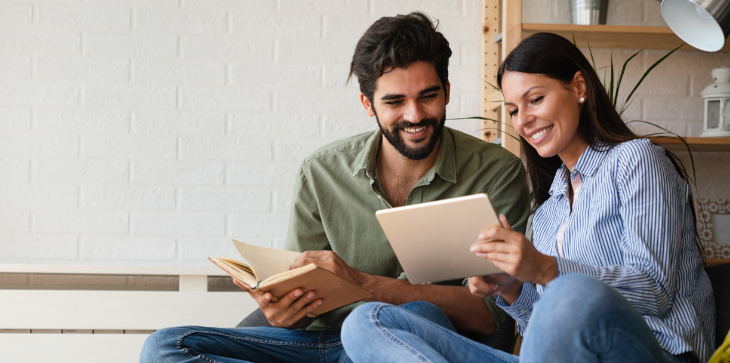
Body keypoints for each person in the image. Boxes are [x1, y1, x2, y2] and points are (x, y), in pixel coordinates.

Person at [139, 12, 530, 363]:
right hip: (316, 345)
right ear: (367, 103)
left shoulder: (496, 173)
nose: (415, 115)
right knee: (164, 347)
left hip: (404, 345)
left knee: (411, 316)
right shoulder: (321, 172)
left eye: (428, 96)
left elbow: (491, 316)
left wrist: (365, 285)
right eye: (394, 101)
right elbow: (297, 287)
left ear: (445, 89)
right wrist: (283, 306)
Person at [340, 32, 716, 363]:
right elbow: (542, 330)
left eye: (535, 99)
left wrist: (545, 269)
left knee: (570, 292)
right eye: (514, 110)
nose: (524, 121)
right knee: (367, 322)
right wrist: (511, 285)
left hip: (652, 351)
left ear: (579, 87)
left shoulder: (635, 160)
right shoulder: (550, 208)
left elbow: (655, 291)